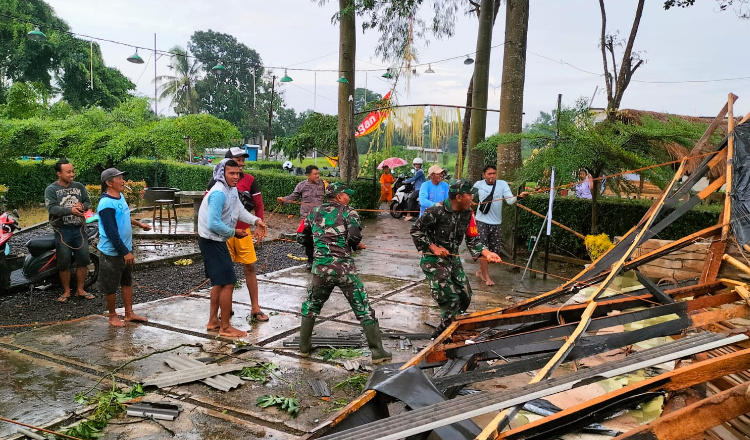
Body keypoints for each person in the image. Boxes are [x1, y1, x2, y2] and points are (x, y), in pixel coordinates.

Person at [296, 182, 392, 364]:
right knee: (363, 308)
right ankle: (378, 352)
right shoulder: (349, 212)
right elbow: (355, 236)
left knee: (311, 306)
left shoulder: (313, 212)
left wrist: (320, 246)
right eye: (347, 194)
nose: (349, 197)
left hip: (321, 270)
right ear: (339, 196)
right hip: (344, 269)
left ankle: (303, 348)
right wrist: (354, 246)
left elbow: (300, 237)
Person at [410, 180, 503, 338]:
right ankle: (441, 336)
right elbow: (416, 230)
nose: (473, 197)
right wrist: (434, 248)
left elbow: (473, 239)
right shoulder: (436, 210)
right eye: (469, 194)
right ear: (459, 197)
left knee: (465, 297)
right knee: (451, 299)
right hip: (434, 260)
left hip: (453, 259)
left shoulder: (467, 213)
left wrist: (487, 253)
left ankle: (449, 325)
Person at [199, 159, 268, 338]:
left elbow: (239, 210)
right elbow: (213, 223)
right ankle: (225, 327)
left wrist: (255, 221)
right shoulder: (219, 193)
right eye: (232, 173)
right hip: (212, 240)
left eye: (238, 173)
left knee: (219, 282)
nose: (236, 177)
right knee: (228, 282)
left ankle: (213, 321)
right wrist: (233, 232)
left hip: (217, 240)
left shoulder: (231, 191)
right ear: (222, 173)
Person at [97, 168, 152, 327]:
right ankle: (113, 315)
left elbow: (124, 215)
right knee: (111, 285)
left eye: (122, 177)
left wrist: (139, 224)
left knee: (127, 281)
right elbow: (111, 233)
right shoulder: (106, 204)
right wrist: (125, 252)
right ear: (109, 183)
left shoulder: (119, 197)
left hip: (125, 248)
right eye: (118, 178)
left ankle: (129, 313)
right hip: (112, 252)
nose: (123, 181)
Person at [45, 159, 94, 302]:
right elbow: (52, 208)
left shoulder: (79, 186)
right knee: (64, 262)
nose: (72, 174)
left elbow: (88, 202)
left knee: (83, 260)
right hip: (62, 230)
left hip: (80, 229)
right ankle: (66, 291)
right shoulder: (51, 189)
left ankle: (80, 289)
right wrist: (70, 210)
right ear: (59, 173)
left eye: (72, 171)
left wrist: (82, 207)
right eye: (68, 172)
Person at [473, 165, 527, 286]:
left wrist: (519, 197)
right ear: (484, 175)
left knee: (494, 251)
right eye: (489, 174)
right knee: (483, 249)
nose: (492, 176)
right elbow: (470, 196)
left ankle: (481, 271)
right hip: (481, 220)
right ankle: (487, 277)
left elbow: (509, 200)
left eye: (494, 173)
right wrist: (472, 202)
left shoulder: (502, 184)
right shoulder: (478, 184)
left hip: (496, 222)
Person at [277, 165, 326, 270]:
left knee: (321, 239)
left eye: (318, 174)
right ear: (308, 175)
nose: (318, 176)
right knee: (306, 239)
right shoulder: (301, 185)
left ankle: (320, 260)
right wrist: (283, 200)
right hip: (307, 218)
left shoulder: (323, 184)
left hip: (320, 218)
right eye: (315, 174)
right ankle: (310, 260)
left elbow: (332, 196)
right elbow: (293, 197)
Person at [403, 157, 425, 221]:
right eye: (416, 164)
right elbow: (414, 179)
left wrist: (405, 181)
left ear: (421, 165)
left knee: (410, 198)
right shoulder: (417, 171)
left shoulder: (420, 172)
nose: (417, 165)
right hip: (418, 188)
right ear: (414, 165)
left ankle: (408, 215)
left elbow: (414, 178)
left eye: (418, 164)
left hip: (420, 189)